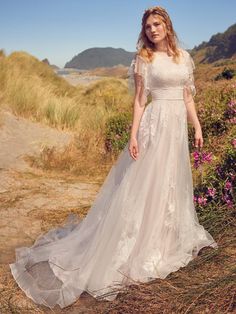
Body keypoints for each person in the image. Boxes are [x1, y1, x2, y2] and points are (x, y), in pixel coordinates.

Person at [9, 6, 218, 310]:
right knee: (143, 185)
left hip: (176, 131)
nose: (153, 30)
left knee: (169, 183)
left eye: (157, 25)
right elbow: (138, 101)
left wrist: (197, 126)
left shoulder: (183, 58)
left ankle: (164, 237)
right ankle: (137, 244)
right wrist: (133, 135)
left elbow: (187, 97)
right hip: (154, 125)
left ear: (167, 26)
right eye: (148, 27)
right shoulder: (143, 59)